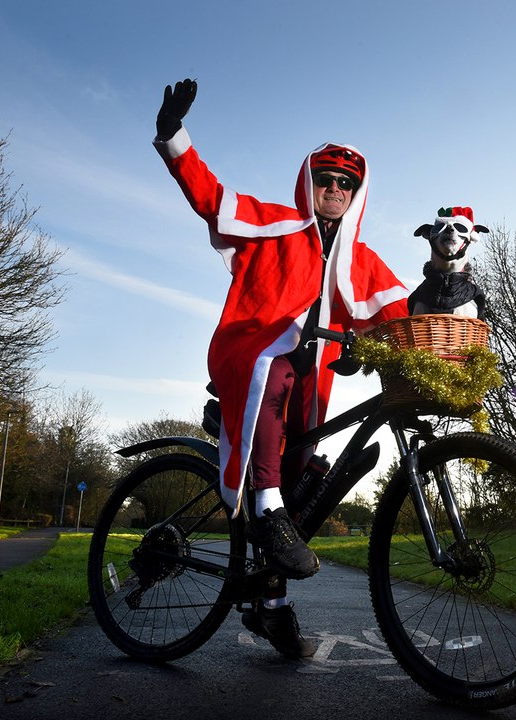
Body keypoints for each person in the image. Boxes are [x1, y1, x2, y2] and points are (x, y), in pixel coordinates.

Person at [153, 79, 409, 659]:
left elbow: (401, 315)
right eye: (326, 178)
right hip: (252, 355)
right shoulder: (274, 223)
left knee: (305, 484)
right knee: (280, 374)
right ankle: (264, 509)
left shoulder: (360, 260)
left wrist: (450, 317)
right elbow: (211, 197)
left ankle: (271, 607)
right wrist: (173, 136)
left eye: (347, 183)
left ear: (357, 194)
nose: (335, 188)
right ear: (309, 182)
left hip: (308, 390)